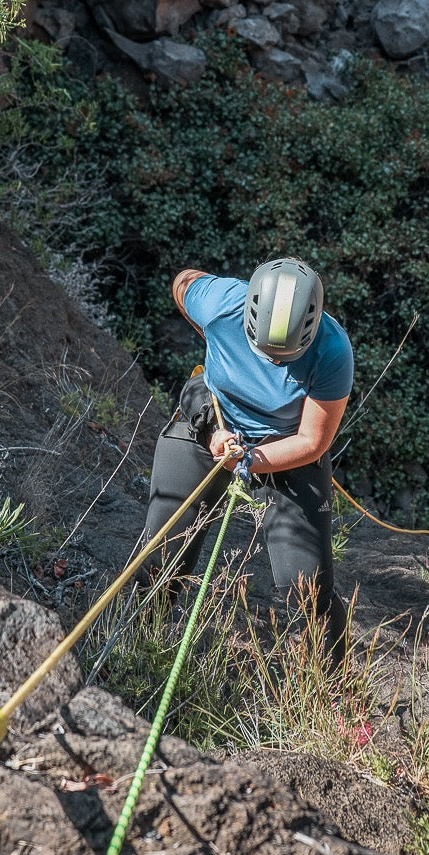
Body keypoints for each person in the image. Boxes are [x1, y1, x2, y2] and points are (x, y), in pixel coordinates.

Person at [142, 256, 354, 669]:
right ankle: (141, 644)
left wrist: (250, 460)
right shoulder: (222, 302)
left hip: (285, 446)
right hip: (214, 422)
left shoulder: (332, 350)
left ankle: (331, 693)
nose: (274, 362)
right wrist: (212, 337)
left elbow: (312, 440)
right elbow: (183, 281)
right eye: (264, 351)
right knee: (162, 552)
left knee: (306, 589)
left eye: (286, 355)